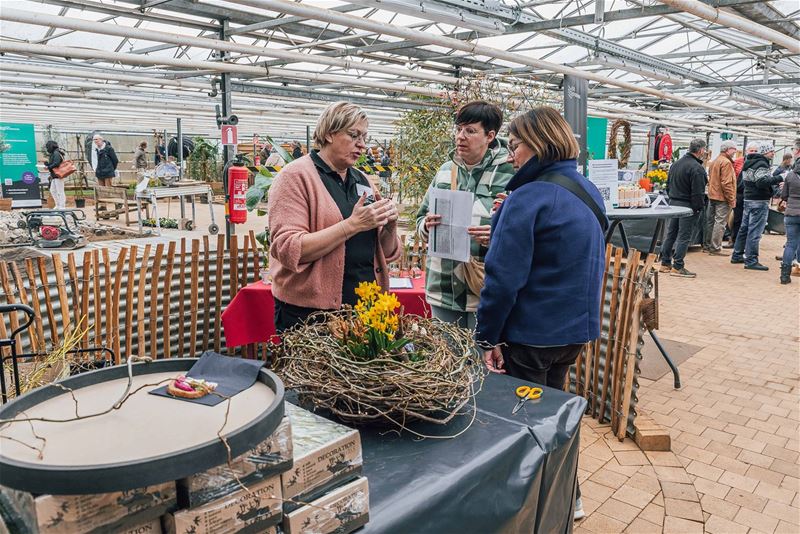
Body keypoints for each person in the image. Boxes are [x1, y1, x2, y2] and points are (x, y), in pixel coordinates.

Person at [474, 106, 607, 523]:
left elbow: (502, 278)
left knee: (525, 423)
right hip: (574, 331)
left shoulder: (527, 197)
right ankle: (570, 493)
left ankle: (530, 507)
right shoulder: (587, 190)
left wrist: (487, 337)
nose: (510, 156)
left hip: (531, 333)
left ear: (537, 144)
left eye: (513, 146)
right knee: (554, 412)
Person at [267, 101, 401, 332]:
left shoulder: (362, 180)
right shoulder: (295, 177)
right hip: (311, 315)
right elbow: (288, 248)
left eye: (364, 137)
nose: (361, 145)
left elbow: (386, 253)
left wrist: (389, 227)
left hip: (364, 309)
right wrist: (351, 225)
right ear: (329, 134)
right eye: (353, 135)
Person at [415, 101, 514, 328]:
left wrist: (498, 236)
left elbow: (526, 228)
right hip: (443, 287)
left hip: (485, 288)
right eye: (459, 129)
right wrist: (426, 227)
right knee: (447, 360)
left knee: (483, 361)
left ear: (490, 136)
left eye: (470, 131)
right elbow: (420, 219)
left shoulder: (509, 172)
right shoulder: (444, 172)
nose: (461, 136)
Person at [659, 139, 707, 278]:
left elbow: (668, 185)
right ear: (701, 150)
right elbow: (698, 192)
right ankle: (678, 266)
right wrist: (698, 208)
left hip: (673, 203)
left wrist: (672, 198)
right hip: (687, 205)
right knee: (684, 236)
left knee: (671, 234)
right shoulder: (697, 168)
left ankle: (665, 263)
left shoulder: (676, 164)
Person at [731, 143, 783, 271]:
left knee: (744, 229)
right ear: (765, 152)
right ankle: (751, 260)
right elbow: (762, 182)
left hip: (748, 198)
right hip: (759, 200)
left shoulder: (748, 163)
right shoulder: (762, 164)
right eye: (771, 151)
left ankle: (737, 254)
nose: (773, 154)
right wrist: (780, 178)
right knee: (755, 231)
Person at [703, 140, 737, 255]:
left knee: (711, 221)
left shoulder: (715, 161)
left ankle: (707, 245)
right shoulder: (726, 163)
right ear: (728, 150)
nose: (735, 151)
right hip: (722, 197)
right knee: (720, 223)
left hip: (712, 195)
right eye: (733, 149)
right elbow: (727, 183)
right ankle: (715, 247)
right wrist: (731, 199)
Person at [729, 142, 759, 247]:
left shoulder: (758, 163)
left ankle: (745, 242)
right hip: (739, 194)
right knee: (737, 218)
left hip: (752, 196)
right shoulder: (737, 162)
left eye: (755, 151)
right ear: (746, 151)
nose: (753, 153)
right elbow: (732, 178)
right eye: (751, 150)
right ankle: (734, 240)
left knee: (749, 220)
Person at [779, 158, 800, 284]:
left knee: (790, 243)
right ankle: (798, 267)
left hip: (791, 213)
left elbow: (783, 196)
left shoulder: (790, 176)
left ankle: (784, 275)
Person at [44, 141, 67, 210]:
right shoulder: (54, 153)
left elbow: (56, 163)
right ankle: (58, 204)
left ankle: (62, 206)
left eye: (47, 147)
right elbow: (54, 164)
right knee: (53, 190)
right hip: (54, 175)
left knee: (60, 191)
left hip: (58, 175)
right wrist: (47, 164)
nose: (47, 149)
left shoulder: (56, 153)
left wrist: (48, 167)